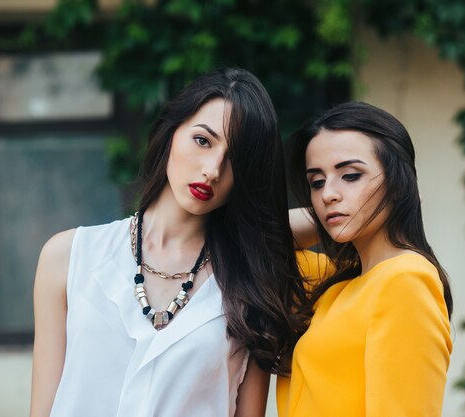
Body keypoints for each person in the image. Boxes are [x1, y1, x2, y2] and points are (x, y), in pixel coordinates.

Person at [29, 67, 308, 417]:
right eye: (203, 140)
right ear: (170, 131)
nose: (212, 169)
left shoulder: (250, 283)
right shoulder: (68, 257)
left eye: (235, 158)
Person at [278, 101, 453, 417]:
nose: (328, 193)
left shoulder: (406, 280)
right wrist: (323, 218)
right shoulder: (334, 286)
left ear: (398, 182)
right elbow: (256, 244)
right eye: (317, 182)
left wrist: (404, 195)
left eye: (350, 175)